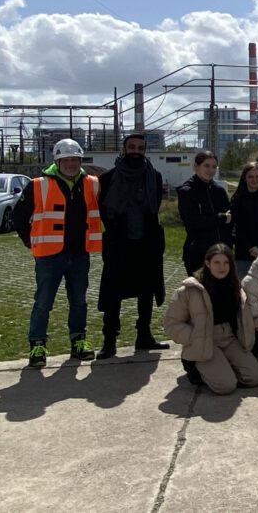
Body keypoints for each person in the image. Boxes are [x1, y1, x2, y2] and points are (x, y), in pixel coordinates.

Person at [12, 138, 102, 368]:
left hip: (80, 254)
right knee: (43, 302)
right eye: (66, 160)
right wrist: (30, 243)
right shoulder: (38, 184)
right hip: (49, 256)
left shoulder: (92, 183)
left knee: (79, 302)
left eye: (75, 159)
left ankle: (78, 342)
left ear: (81, 160)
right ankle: (38, 346)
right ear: (57, 161)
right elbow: (18, 217)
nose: (71, 164)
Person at [97, 133, 167, 359]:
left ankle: (144, 336)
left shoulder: (154, 177)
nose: (136, 151)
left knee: (146, 291)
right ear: (124, 148)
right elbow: (102, 212)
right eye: (132, 147)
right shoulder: (107, 179)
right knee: (113, 293)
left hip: (146, 243)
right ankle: (109, 341)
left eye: (140, 148)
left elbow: (154, 208)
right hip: (119, 245)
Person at [163, 243, 258, 394]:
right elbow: (171, 324)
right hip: (205, 340)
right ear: (207, 263)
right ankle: (194, 366)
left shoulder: (235, 286)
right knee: (226, 386)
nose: (221, 267)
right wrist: (195, 336)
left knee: (255, 378)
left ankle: (222, 368)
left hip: (229, 338)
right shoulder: (190, 290)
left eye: (226, 263)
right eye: (216, 262)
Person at [176, 150, 231, 276]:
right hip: (197, 254)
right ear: (196, 167)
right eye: (206, 166)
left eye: (214, 167)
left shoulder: (219, 191)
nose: (210, 170)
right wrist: (221, 218)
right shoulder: (187, 191)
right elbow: (193, 223)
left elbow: (230, 221)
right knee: (199, 292)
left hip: (220, 253)